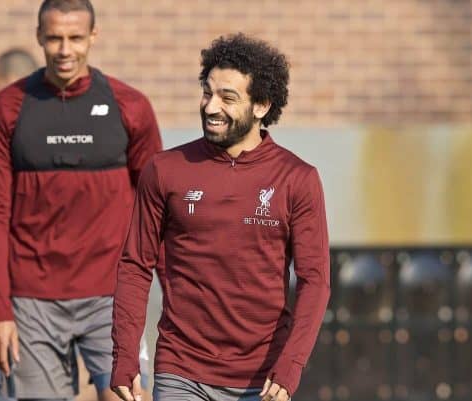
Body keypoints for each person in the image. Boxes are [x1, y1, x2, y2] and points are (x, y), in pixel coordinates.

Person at [111, 33, 331, 401]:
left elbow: (315, 281)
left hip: (262, 380)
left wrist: (290, 366)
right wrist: (125, 355)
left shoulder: (298, 179)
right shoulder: (164, 170)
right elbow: (135, 264)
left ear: (261, 105)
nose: (211, 107)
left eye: (228, 98)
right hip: (180, 369)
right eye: (207, 92)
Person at [0, 1, 162, 400]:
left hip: (112, 293)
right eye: (55, 38)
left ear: (93, 36)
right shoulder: (4, 110)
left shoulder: (131, 107)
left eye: (76, 37)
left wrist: (172, 290)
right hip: (31, 300)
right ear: (39, 37)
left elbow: (156, 210)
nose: (65, 49)